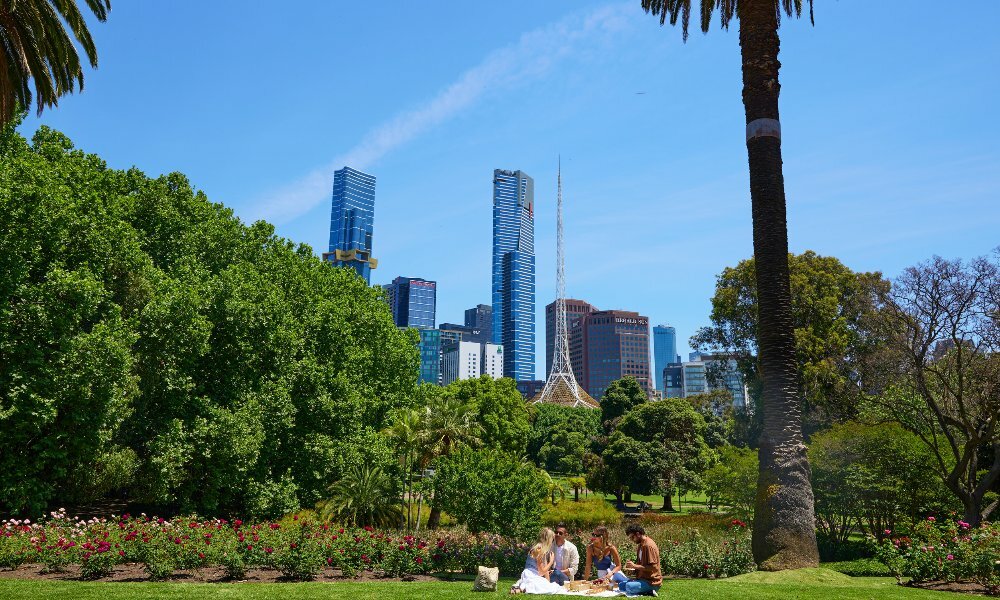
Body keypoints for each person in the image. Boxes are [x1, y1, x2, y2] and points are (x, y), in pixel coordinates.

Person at [512, 528, 567, 595]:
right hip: (531, 575)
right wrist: (551, 562)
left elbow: (545, 571)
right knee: (553, 588)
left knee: (550, 587)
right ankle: (521, 588)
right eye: (552, 539)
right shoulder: (539, 549)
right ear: (548, 539)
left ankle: (521, 588)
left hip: (534, 574)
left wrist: (548, 583)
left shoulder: (543, 550)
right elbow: (541, 572)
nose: (553, 542)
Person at [621, 523, 661, 597]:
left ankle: (650, 590)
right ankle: (647, 591)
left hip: (651, 582)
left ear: (638, 534)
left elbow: (653, 568)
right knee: (621, 585)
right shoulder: (641, 545)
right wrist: (632, 569)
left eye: (632, 537)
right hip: (642, 579)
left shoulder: (648, 546)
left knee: (629, 586)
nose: (631, 540)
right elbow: (642, 566)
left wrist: (635, 566)